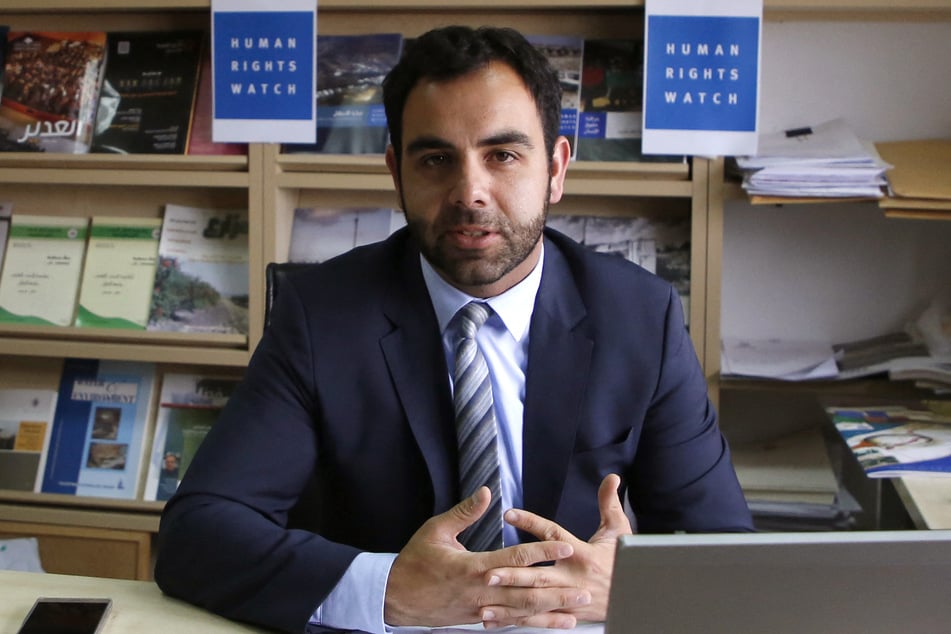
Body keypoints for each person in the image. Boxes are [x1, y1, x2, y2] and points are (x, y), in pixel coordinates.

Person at [154, 25, 753, 634]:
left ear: (556, 168)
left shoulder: (639, 314)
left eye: (503, 155)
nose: (469, 192)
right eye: (437, 159)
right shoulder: (321, 315)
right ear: (396, 172)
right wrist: (387, 587)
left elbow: (728, 553)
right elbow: (197, 533)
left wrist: (630, 585)